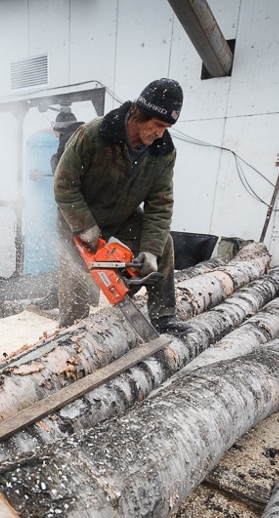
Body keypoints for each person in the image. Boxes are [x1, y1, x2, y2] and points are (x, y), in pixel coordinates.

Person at [53, 78, 189, 333]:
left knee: (164, 244)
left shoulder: (163, 152)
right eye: (158, 125)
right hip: (77, 214)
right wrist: (84, 225)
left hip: (122, 215)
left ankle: (164, 315)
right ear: (139, 114)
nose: (161, 132)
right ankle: (71, 330)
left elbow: (160, 204)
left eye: (167, 127)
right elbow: (64, 184)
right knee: (75, 275)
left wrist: (149, 250)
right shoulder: (94, 134)